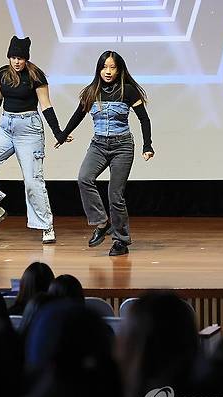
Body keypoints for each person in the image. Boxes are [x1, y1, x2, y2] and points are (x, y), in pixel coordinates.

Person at [0, 36, 71, 244]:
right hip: (6, 127)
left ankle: (46, 226)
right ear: (9, 57)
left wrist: (58, 132)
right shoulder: (3, 74)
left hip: (30, 130)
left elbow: (46, 105)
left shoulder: (36, 76)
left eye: (20, 58)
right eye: (13, 57)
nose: (16, 62)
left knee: (33, 181)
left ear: (27, 58)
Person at [55, 51, 154, 256]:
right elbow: (78, 116)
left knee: (115, 194)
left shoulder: (128, 91)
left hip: (122, 146)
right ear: (98, 69)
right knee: (84, 178)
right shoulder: (92, 91)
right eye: (104, 67)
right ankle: (102, 222)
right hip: (98, 145)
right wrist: (63, 135)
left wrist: (147, 145)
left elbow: (144, 119)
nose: (108, 72)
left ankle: (121, 241)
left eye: (112, 67)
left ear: (119, 69)